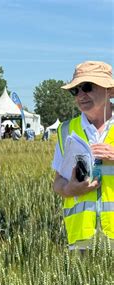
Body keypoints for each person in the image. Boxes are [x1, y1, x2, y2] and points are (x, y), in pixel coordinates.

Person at [52, 61, 114, 250]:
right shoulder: (66, 130)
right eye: (75, 90)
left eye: (87, 87)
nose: (80, 95)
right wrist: (71, 189)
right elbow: (58, 183)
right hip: (81, 240)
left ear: (110, 90)